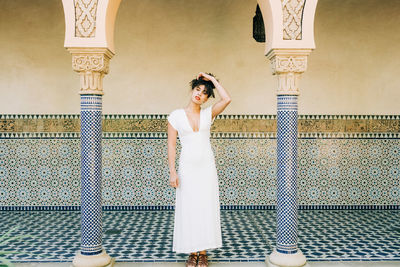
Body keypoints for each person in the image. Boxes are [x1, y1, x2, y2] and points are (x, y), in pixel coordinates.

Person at [167, 72, 232, 267]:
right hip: (186, 168)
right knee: (189, 208)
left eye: (205, 93)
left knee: (205, 207)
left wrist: (212, 80)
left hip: (206, 168)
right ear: (192, 90)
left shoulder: (208, 114)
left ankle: (202, 253)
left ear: (207, 98)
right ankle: (191, 252)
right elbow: (171, 145)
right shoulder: (175, 116)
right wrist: (172, 171)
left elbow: (227, 98)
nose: (200, 94)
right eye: (197, 89)